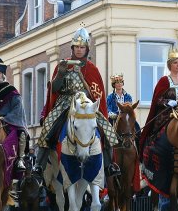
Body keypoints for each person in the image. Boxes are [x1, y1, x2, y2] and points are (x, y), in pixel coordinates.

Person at [34, 26, 118, 177]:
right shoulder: (63, 64)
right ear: (72, 47)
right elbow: (54, 90)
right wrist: (60, 74)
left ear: (86, 49)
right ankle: (39, 165)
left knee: (107, 128)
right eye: (77, 47)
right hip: (65, 102)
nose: (79, 50)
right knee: (48, 125)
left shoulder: (92, 68)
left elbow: (97, 93)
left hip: (85, 102)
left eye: (82, 47)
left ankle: (109, 165)